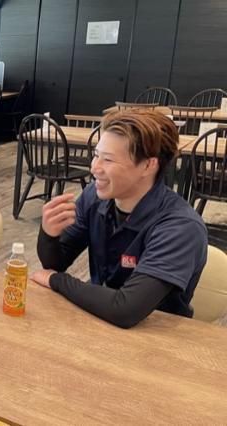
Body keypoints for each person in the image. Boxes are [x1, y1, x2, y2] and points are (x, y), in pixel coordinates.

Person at [31, 110, 208, 329]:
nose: (94, 168)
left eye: (108, 159)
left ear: (148, 165)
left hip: (155, 334)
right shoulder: (94, 198)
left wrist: (56, 280)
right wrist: (49, 234)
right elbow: (55, 263)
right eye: (96, 155)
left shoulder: (180, 227)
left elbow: (126, 309)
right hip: (97, 318)